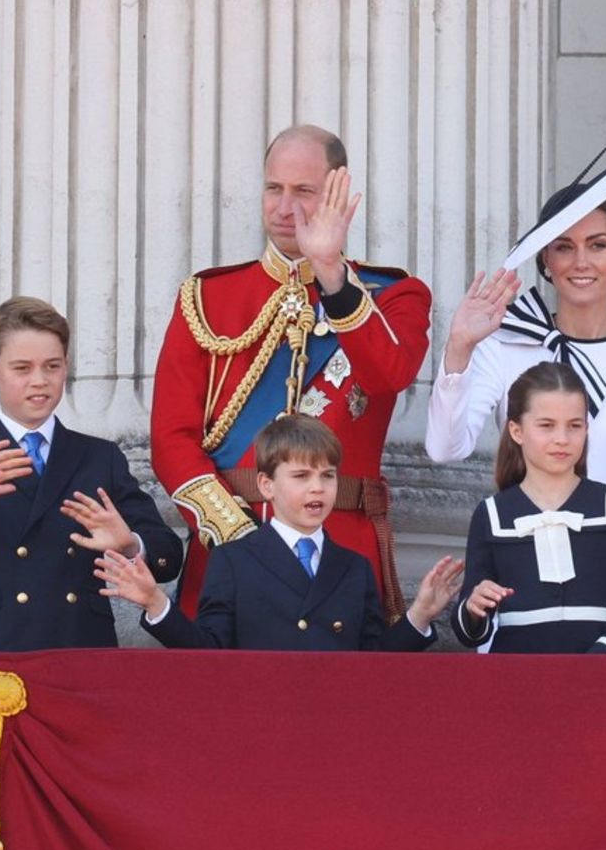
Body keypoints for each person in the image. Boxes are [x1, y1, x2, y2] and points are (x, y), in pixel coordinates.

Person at [151, 124, 432, 622]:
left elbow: (390, 374)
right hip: (228, 551)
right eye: (273, 188)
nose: (285, 208)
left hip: (340, 550)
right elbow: (172, 437)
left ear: (337, 196)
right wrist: (236, 537)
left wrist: (332, 276)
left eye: (304, 192)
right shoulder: (206, 297)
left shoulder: (394, 297)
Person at [425, 190, 606, 650]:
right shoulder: (503, 343)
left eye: (598, 244)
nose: (581, 261)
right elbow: (446, 448)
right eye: (564, 246)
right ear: (546, 259)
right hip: (516, 594)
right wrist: (460, 349)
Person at [0, 297, 183, 649]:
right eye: (22, 368)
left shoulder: (100, 457)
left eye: (51, 366)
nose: (39, 381)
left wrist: (129, 543)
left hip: (78, 641)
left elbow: (168, 555)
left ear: (66, 366)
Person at [101, 415, 463, 651]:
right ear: (267, 485)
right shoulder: (234, 560)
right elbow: (208, 652)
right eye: (301, 477)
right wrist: (155, 603)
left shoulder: (354, 567)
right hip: (260, 726)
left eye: (327, 476)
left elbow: (372, 663)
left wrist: (420, 615)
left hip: (335, 728)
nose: (317, 489)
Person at [452, 362, 606, 654]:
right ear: (517, 430)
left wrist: (603, 657)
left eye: (574, 426)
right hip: (516, 681)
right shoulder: (492, 514)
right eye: (546, 425)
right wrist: (473, 608)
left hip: (596, 682)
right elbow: (469, 633)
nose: (562, 439)